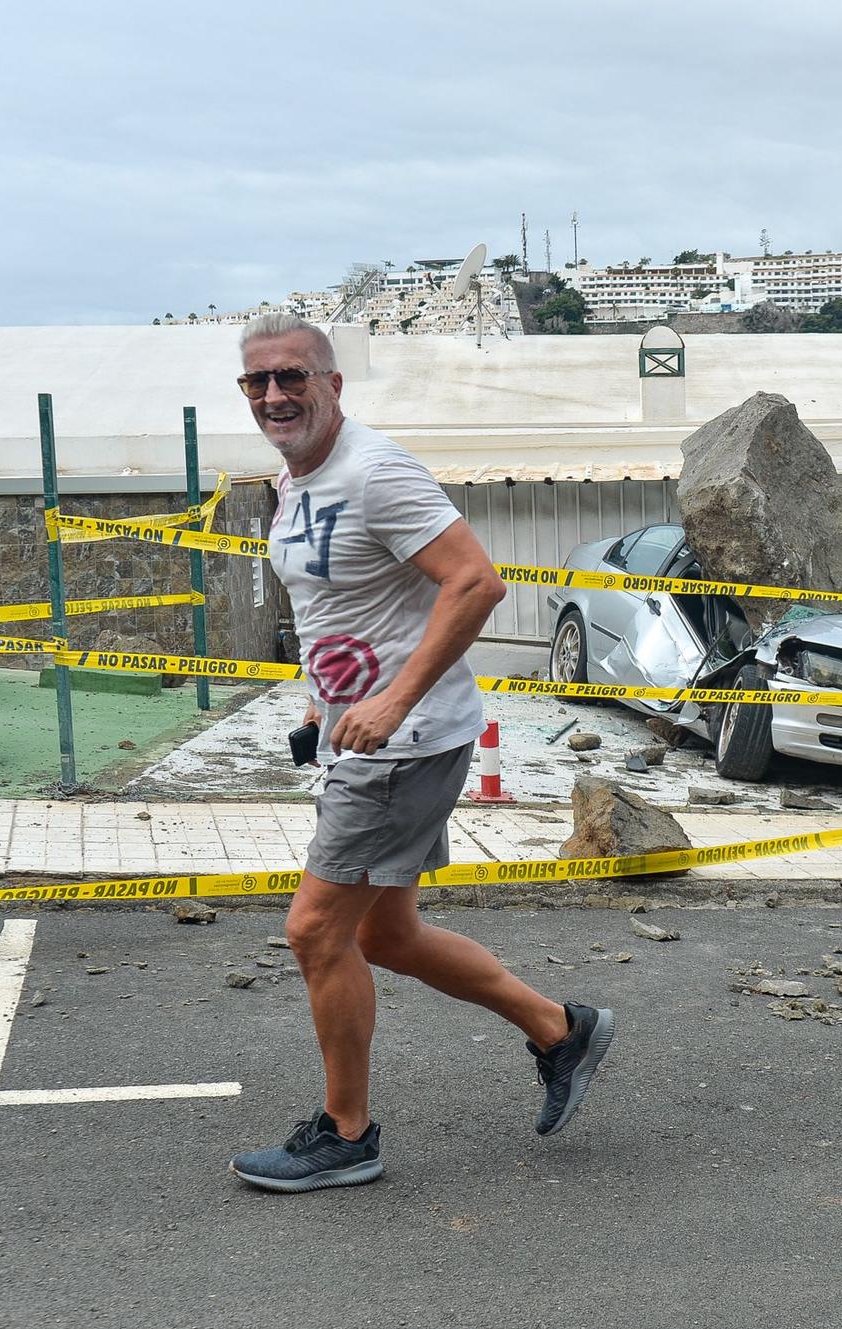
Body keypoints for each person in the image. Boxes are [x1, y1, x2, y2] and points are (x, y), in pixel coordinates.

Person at [227, 312, 613, 1193]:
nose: (276, 395)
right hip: (365, 739)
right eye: (258, 382)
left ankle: (346, 1133)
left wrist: (392, 700)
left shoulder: (375, 470)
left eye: (294, 376)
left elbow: (475, 581)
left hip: (402, 745)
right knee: (385, 933)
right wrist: (318, 704)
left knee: (316, 930)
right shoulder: (295, 481)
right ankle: (562, 1030)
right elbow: (345, 610)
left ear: (333, 384)